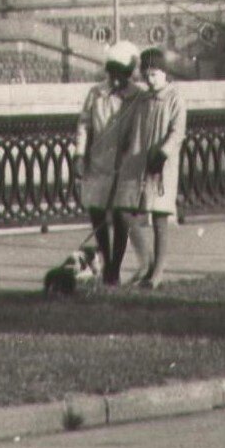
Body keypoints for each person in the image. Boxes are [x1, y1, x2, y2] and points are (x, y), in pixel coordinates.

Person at [114, 45, 188, 288]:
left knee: (159, 217)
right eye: (146, 75)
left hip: (161, 166)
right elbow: (132, 128)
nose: (150, 79)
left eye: (154, 74)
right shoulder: (142, 99)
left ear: (165, 73)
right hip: (137, 165)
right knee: (126, 211)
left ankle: (157, 272)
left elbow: (177, 132)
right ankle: (146, 262)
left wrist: (163, 153)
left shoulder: (175, 98)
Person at [71, 55, 135, 287]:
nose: (116, 81)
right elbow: (84, 124)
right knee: (97, 212)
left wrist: (129, 155)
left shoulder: (136, 96)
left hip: (125, 164)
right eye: (113, 76)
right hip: (98, 162)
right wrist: (79, 155)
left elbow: (140, 129)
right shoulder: (96, 93)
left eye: (121, 77)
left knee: (121, 216)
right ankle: (106, 260)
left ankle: (115, 268)